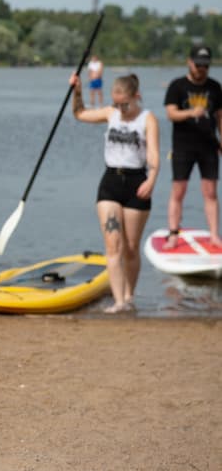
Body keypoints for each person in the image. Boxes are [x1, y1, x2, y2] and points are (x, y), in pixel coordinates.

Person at [70, 72, 160, 313]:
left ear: (136, 96)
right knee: (113, 245)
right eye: (116, 102)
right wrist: (77, 91)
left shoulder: (147, 118)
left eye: (124, 103)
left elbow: (153, 153)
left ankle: (130, 296)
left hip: (137, 183)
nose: (119, 107)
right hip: (110, 182)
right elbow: (79, 114)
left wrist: (152, 178)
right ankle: (119, 301)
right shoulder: (111, 113)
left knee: (131, 247)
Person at [162, 45, 222, 249]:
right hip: (183, 146)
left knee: (211, 192)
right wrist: (190, 113)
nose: (201, 69)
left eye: (205, 66)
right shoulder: (177, 86)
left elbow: (220, 117)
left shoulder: (215, 87)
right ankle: (173, 234)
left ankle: (214, 235)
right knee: (179, 190)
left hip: (209, 147)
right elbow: (170, 113)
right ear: (190, 62)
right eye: (198, 65)